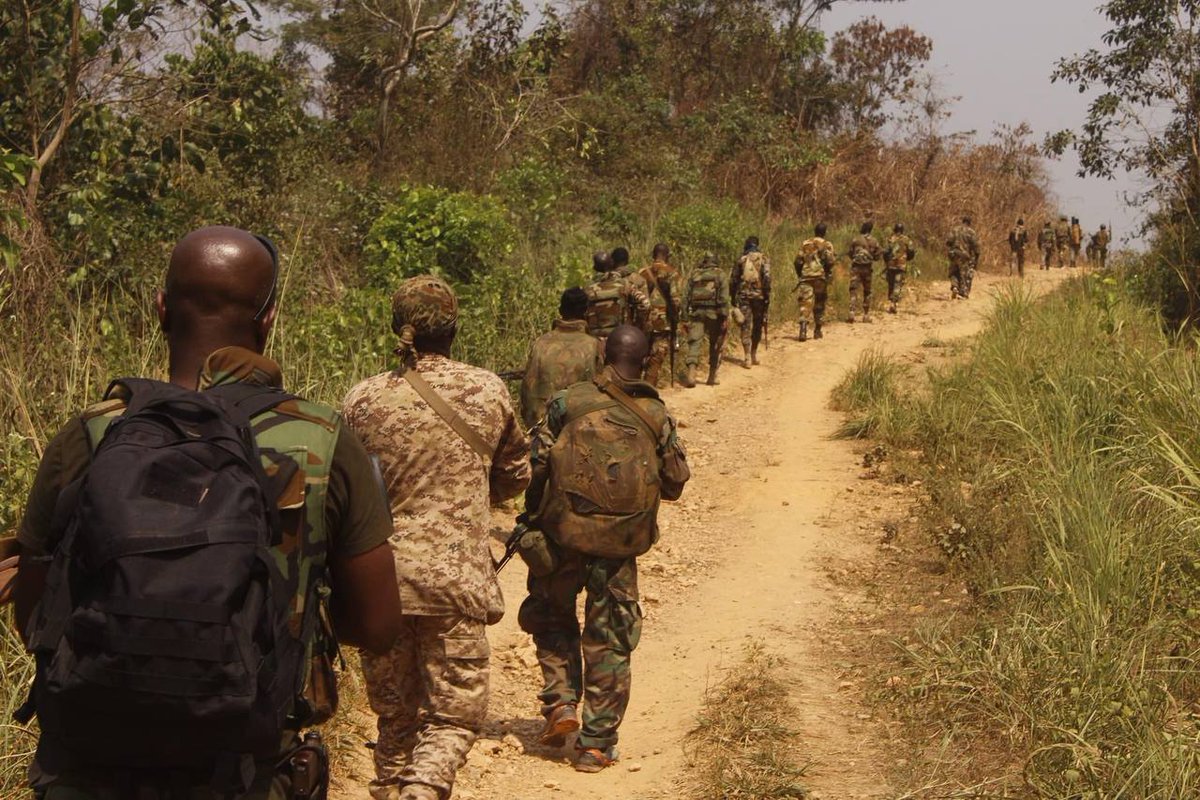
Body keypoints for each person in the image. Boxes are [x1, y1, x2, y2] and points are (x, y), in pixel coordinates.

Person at [13, 226, 402, 799]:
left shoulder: (92, 432)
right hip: (246, 769)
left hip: (89, 766)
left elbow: (34, 615)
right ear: (267, 321)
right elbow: (378, 625)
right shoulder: (321, 440)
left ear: (161, 309)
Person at [342, 276, 531, 800]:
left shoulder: (361, 399)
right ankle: (422, 791)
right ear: (454, 328)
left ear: (394, 327)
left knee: (394, 723)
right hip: (455, 587)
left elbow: (346, 490)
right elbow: (516, 476)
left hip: (380, 585)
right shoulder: (486, 390)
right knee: (453, 719)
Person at [519, 325, 690, 773]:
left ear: (603, 357)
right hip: (618, 546)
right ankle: (595, 744)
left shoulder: (566, 403)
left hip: (561, 533)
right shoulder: (656, 413)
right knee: (610, 637)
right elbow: (674, 483)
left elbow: (535, 465)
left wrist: (532, 516)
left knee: (552, 615)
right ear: (647, 360)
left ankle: (560, 704)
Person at [520, 287, 604, 429]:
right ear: (586, 312)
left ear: (560, 310)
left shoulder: (541, 342)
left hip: (541, 430)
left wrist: (535, 427)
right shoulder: (594, 345)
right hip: (578, 431)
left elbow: (527, 392)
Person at [629, 243, 683, 386]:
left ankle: (635, 383)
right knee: (657, 355)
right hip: (662, 321)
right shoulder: (672, 272)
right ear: (667, 256)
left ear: (653, 255)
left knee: (641, 352)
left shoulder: (641, 273)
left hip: (642, 319)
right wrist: (676, 317)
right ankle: (648, 386)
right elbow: (676, 300)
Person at [683, 252, 730, 386]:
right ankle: (711, 376)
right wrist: (724, 316)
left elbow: (685, 296)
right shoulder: (720, 274)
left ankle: (691, 374)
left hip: (697, 313)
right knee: (715, 344)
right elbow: (724, 298)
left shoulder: (695, 274)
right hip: (714, 314)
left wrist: (685, 316)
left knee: (694, 342)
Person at [584, 251, 650, 345]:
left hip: (596, 340)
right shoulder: (625, 285)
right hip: (621, 336)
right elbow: (645, 304)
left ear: (594, 268)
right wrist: (637, 325)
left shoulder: (587, 290)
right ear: (612, 264)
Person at [731, 236, 771, 367]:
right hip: (759, 297)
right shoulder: (764, 259)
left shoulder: (741, 260)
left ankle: (747, 355)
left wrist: (732, 296)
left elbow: (734, 280)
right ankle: (754, 353)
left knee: (745, 325)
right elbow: (767, 279)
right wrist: (766, 296)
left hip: (744, 297)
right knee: (758, 325)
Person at [794, 223, 836, 341]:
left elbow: (797, 262)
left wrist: (800, 275)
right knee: (819, 303)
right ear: (824, 232)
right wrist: (826, 272)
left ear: (815, 231)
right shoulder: (827, 244)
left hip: (806, 277)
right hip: (820, 278)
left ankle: (803, 329)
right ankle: (817, 330)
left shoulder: (805, 243)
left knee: (805, 304)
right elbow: (830, 262)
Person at [847, 221, 882, 322]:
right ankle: (866, 315)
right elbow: (878, 255)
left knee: (853, 290)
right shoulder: (874, 241)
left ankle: (852, 312)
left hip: (856, 268)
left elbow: (850, 253)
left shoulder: (855, 239)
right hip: (867, 268)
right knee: (867, 291)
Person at [883, 223, 917, 314]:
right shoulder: (907, 240)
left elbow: (885, 252)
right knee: (898, 284)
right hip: (901, 265)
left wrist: (887, 261)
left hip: (891, 265)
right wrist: (906, 259)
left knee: (891, 284)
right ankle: (894, 302)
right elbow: (911, 252)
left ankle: (891, 301)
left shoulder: (890, 239)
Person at [947, 215, 980, 300]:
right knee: (964, 275)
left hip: (953, 254)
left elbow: (948, 242)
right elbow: (976, 247)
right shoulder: (971, 232)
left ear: (963, 221)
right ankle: (963, 293)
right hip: (964, 256)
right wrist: (976, 259)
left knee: (953, 272)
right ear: (969, 223)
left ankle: (954, 286)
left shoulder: (954, 230)